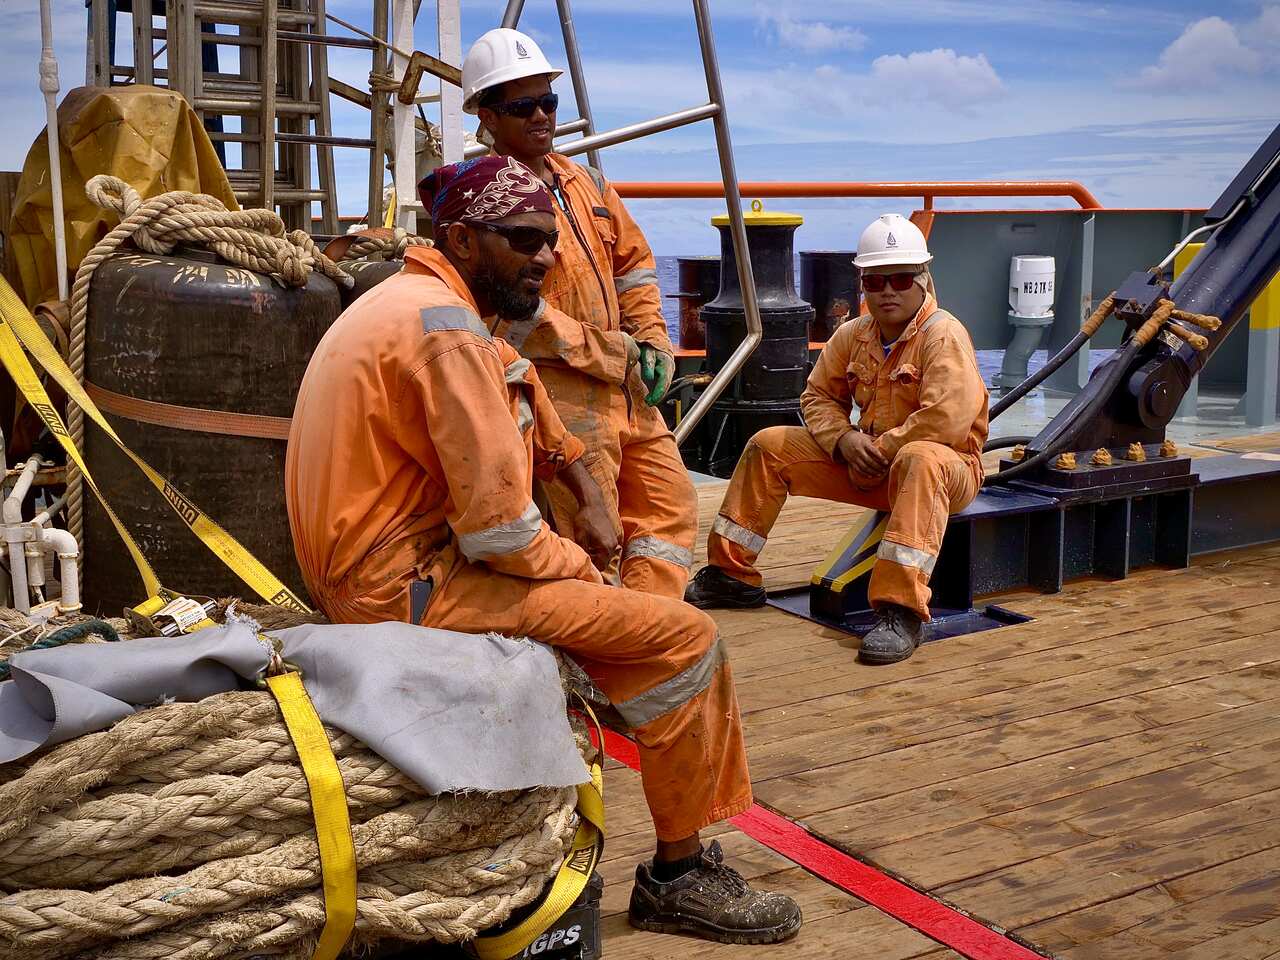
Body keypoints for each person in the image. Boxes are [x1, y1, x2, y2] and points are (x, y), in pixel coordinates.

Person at [285, 156, 802, 944]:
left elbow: (512, 374)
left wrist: (572, 472)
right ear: (461, 237)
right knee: (684, 639)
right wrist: (595, 580)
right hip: (408, 584)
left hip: (378, 567)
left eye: (551, 240)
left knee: (621, 615)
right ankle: (678, 874)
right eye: (523, 238)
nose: (547, 258)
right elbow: (501, 534)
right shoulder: (446, 330)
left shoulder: (418, 303)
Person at [685, 214, 989, 665]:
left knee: (920, 458)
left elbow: (946, 420)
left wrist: (881, 449)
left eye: (901, 279)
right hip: (869, 463)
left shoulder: (943, 335)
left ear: (923, 280)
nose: (888, 291)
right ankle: (730, 575)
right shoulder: (853, 335)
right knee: (770, 445)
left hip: (946, 472)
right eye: (876, 280)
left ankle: (899, 611)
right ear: (862, 283)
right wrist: (843, 441)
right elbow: (817, 396)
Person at [458, 28, 697, 599]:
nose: (542, 116)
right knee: (592, 535)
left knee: (669, 508)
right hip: (560, 399)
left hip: (626, 387)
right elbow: (510, 316)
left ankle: (649, 628)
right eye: (523, 106)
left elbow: (634, 266)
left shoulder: (584, 181)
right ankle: (596, 666)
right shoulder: (488, 200)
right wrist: (613, 352)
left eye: (548, 101)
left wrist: (654, 340)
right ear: (487, 117)